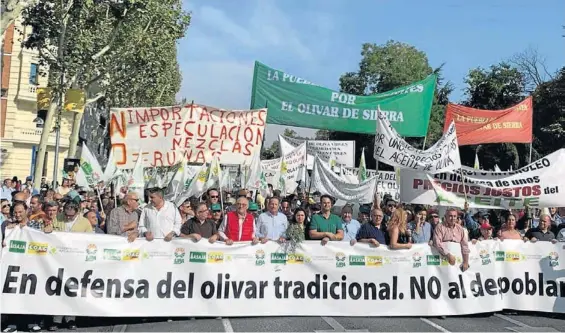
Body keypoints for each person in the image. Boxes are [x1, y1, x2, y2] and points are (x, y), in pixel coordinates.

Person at [433, 207, 470, 272]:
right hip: (443, 260)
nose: (452, 218)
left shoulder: (460, 228)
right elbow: (437, 243)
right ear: (445, 217)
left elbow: (465, 246)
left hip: (458, 261)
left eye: (454, 216)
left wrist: (466, 262)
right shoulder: (439, 227)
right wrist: (448, 255)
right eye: (450, 216)